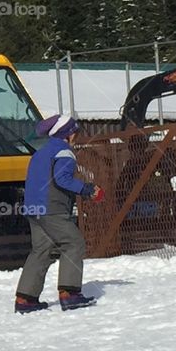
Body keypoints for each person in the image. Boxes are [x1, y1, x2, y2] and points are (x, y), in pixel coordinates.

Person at [15, 114, 105, 313]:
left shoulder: (41, 152)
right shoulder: (64, 152)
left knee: (42, 250)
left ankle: (25, 299)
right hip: (52, 208)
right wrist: (89, 189)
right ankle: (70, 294)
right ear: (68, 133)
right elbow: (62, 179)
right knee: (73, 243)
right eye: (76, 131)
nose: (77, 135)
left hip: (33, 207)